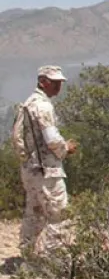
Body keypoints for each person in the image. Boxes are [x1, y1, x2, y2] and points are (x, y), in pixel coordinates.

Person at [10, 65, 78, 259]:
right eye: (54, 82)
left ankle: (28, 256)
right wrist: (66, 148)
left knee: (34, 213)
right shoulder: (43, 106)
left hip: (30, 170)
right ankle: (53, 259)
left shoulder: (27, 104)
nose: (58, 87)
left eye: (59, 83)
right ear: (43, 82)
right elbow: (52, 139)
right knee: (58, 215)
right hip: (47, 170)